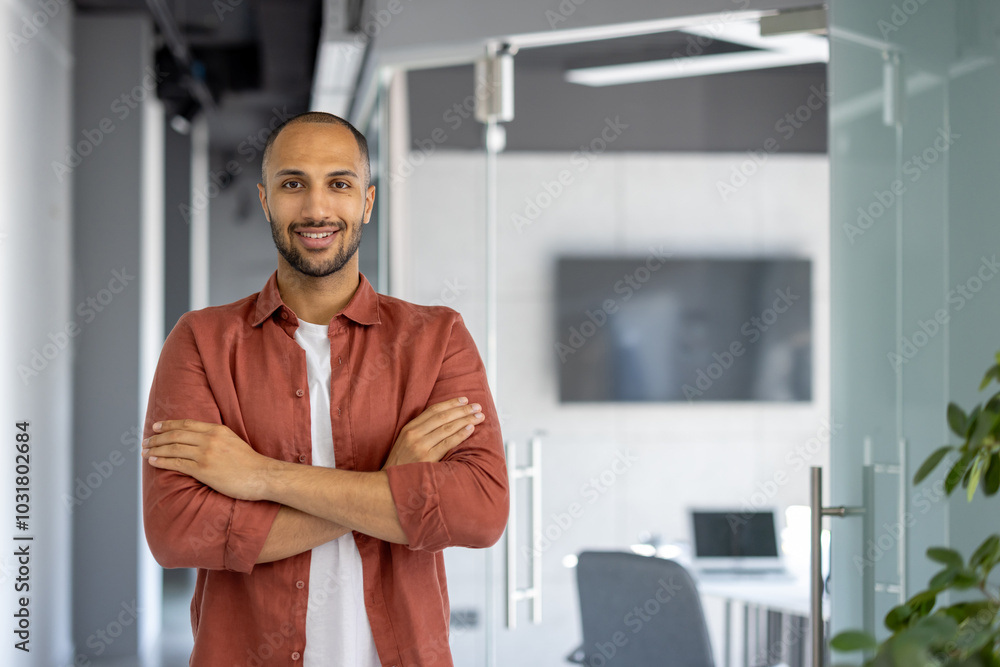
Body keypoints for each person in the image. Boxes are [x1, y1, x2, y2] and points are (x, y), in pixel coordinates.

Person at [140, 111, 509, 667]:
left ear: (367, 201)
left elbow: (480, 514)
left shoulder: (438, 338)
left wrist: (260, 477)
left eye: (339, 183)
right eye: (293, 184)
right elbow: (177, 532)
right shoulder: (201, 341)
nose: (316, 209)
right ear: (266, 201)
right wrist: (390, 483)